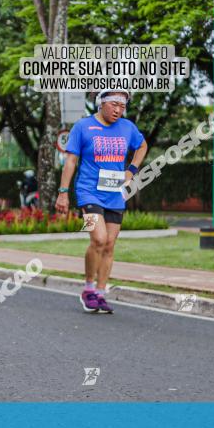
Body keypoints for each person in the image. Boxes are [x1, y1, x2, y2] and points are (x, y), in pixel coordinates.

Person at [56, 89, 148, 314]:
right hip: (87, 194)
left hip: (115, 195)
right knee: (97, 238)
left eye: (122, 106)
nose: (118, 109)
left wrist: (132, 170)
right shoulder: (83, 127)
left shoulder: (128, 127)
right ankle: (88, 288)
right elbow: (70, 161)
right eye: (114, 104)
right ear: (101, 103)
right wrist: (63, 192)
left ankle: (100, 292)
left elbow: (142, 146)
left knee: (109, 244)